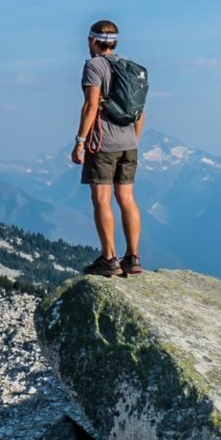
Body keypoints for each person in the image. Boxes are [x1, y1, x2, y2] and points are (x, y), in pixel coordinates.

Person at [70, 20, 145, 277]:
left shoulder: (94, 66)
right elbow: (140, 111)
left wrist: (80, 142)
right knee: (127, 198)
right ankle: (133, 258)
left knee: (101, 199)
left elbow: (91, 106)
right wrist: (133, 138)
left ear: (92, 40)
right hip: (129, 144)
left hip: (103, 144)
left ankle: (109, 259)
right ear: (115, 42)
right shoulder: (131, 68)